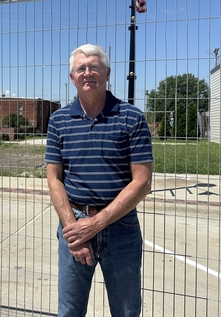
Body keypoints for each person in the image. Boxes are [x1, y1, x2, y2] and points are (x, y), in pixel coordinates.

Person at [45, 43, 153, 317]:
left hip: (121, 229)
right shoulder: (58, 121)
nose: (87, 73)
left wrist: (94, 225)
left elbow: (142, 181)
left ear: (107, 73)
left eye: (94, 67)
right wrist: (75, 230)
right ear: (72, 78)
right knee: (69, 311)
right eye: (81, 68)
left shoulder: (132, 118)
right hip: (74, 225)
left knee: (127, 311)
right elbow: (54, 179)